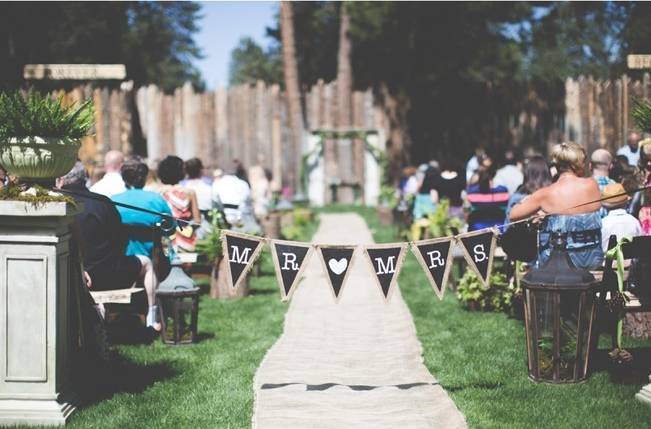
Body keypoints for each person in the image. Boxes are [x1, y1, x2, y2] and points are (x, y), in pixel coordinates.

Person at [58, 161, 162, 331]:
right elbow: (119, 239)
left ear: (61, 180)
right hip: (108, 273)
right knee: (146, 263)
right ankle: (152, 315)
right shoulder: (103, 202)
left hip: (73, 275)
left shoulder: (59, 204)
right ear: (85, 178)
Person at [510, 142, 603, 270]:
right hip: (593, 259)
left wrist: (527, 201)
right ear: (576, 164)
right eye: (583, 161)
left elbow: (513, 215)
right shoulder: (593, 185)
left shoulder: (545, 193)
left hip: (558, 265)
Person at [157, 156, 201, 252]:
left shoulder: (158, 193)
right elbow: (197, 220)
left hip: (165, 237)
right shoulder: (189, 192)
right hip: (186, 237)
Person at [505, 155, 552, 223]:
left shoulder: (517, 197)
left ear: (527, 174)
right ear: (548, 174)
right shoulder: (553, 196)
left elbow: (507, 226)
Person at [465, 164, 509, 231]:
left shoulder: (471, 193)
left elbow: (467, 214)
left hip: (477, 231)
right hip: (499, 230)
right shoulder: (503, 192)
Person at [600, 183, 641, 252]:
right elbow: (640, 244)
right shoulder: (634, 222)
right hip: (631, 262)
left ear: (605, 206)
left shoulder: (603, 224)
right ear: (625, 202)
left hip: (609, 262)